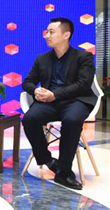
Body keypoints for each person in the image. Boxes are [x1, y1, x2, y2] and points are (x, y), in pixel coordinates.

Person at [22, 17, 95, 190]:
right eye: (47, 32)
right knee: (29, 119)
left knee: (71, 120)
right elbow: (27, 82)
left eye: (51, 32)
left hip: (75, 101)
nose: (47, 35)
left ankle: (64, 173)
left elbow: (83, 84)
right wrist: (35, 91)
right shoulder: (42, 58)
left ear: (66, 35)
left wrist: (55, 94)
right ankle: (48, 161)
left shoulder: (83, 57)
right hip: (49, 103)